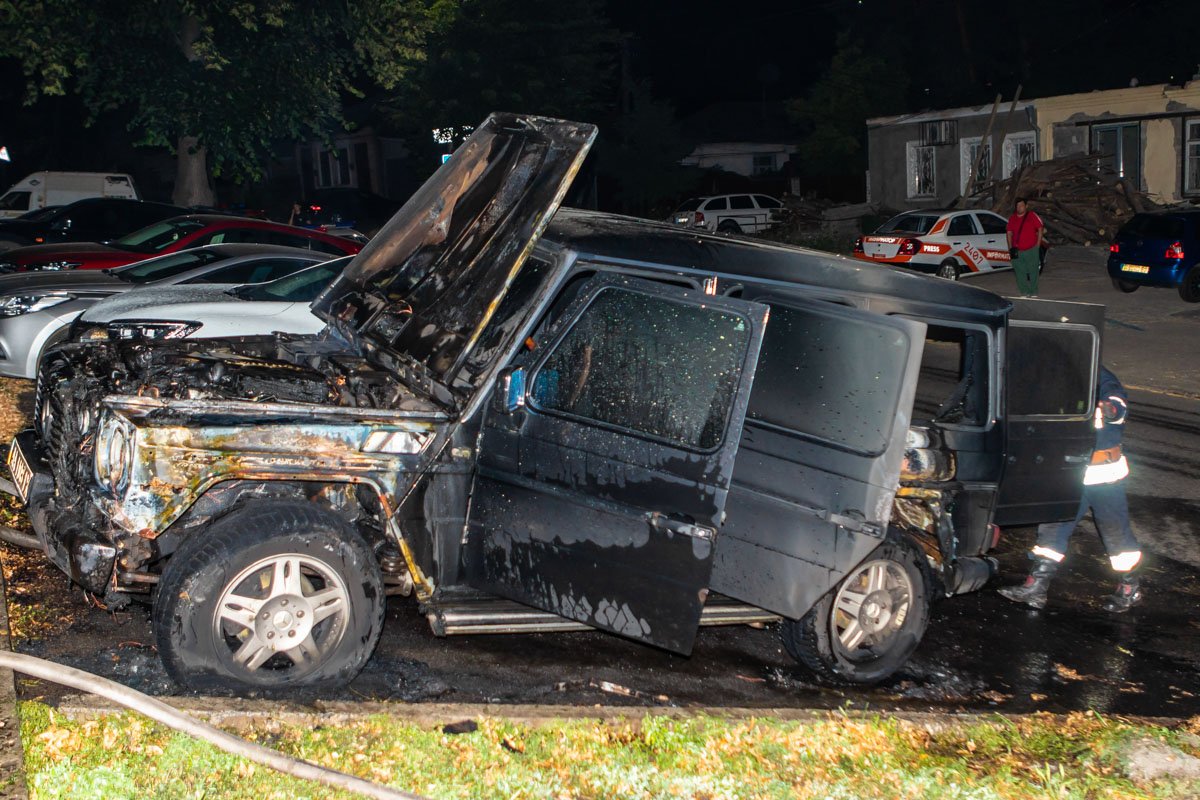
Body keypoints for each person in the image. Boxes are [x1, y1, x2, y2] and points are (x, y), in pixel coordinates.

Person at [998, 366, 1144, 613]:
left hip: (1104, 477)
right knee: (1054, 525)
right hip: (1071, 473)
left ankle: (1130, 588)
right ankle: (1036, 587)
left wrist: (1105, 408)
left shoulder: (1102, 379)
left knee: (1115, 533)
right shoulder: (1059, 377)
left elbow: (1117, 407)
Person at [1006, 197, 1045, 297]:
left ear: (1026, 206)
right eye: (1017, 206)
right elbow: (1009, 233)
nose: (1019, 207)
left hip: (1031, 249)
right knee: (1020, 272)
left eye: (1021, 205)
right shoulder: (1012, 218)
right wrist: (1010, 248)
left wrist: (1037, 245)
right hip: (1017, 250)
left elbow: (1040, 228)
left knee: (1033, 271)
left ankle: (1033, 291)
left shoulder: (1032, 215)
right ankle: (1024, 291)